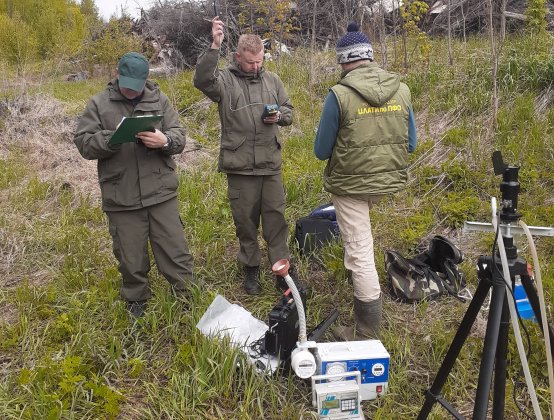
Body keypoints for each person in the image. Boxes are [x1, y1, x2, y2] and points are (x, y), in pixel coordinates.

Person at [314, 23, 417, 339]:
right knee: (358, 244)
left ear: (344, 61)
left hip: (351, 185)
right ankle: (359, 284)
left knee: (360, 253)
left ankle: (366, 332)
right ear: (370, 57)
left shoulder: (340, 95)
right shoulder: (401, 88)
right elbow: (410, 144)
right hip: (388, 179)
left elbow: (321, 151)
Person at [74, 52, 195, 318]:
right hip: (122, 194)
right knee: (130, 255)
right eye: (127, 84)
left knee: (175, 248)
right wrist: (112, 139)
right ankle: (136, 298)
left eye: (136, 86)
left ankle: (186, 294)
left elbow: (179, 135)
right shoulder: (99, 104)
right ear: (117, 74)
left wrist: (164, 141)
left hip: (161, 191)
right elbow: (83, 142)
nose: (131, 91)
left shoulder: (159, 99)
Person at [193, 18, 298, 295]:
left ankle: (281, 270)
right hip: (240, 167)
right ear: (238, 56)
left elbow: (288, 110)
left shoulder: (273, 80)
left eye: (260, 61)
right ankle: (251, 267)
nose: (256, 66)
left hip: (270, 164)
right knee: (246, 222)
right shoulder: (224, 82)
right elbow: (202, 80)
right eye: (250, 62)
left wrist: (280, 116)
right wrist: (214, 45)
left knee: (276, 220)